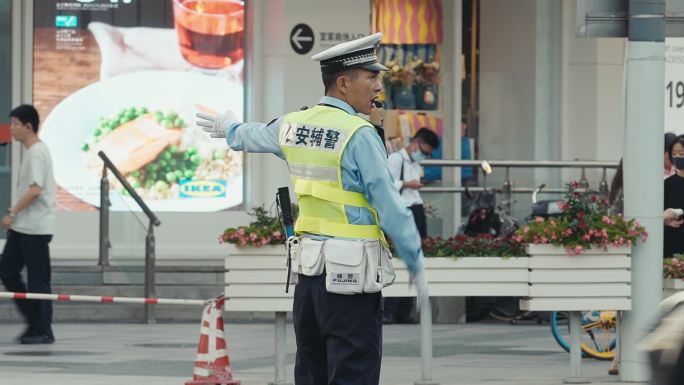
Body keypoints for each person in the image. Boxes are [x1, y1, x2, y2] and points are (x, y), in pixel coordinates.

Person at [196, 32, 428, 385]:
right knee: (353, 375)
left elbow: (254, 134)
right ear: (344, 83)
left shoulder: (295, 124)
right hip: (352, 283)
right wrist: (416, 261)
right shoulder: (358, 134)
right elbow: (391, 205)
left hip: (309, 281)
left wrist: (229, 128)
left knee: (311, 373)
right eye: (372, 77)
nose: (379, 86)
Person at [0, 104, 56, 344]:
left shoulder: (36, 152)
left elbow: (35, 190)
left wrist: (11, 212)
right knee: (7, 270)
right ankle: (34, 321)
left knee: (38, 281)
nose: (11, 129)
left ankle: (43, 329)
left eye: (14, 124)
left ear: (28, 126)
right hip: (23, 228)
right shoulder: (32, 151)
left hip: (35, 228)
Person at [383, 127, 438, 324]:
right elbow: (386, 183)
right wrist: (407, 184)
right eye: (424, 151)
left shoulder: (414, 162)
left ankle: (404, 311)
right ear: (415, 143)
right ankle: (388, 310)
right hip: (402, 210)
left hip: (416, 208)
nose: (423, 155)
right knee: (400, 259)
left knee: (415, 256)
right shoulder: (396, 159)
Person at [664, 135, 684, 259]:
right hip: (672, 242)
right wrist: (666, 221)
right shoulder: (667, 184)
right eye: (674, 153)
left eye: (681, 153)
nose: (678, 157)